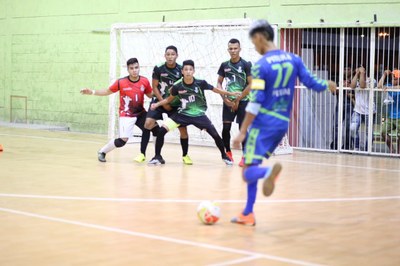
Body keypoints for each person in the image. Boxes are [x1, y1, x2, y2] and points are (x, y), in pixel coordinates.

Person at [231, 20, 337, 226]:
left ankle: (269, 173)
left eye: (254, 42)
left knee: (248, 171)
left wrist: (242, 131)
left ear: (260, 37)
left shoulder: (260, 66)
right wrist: (327, 84)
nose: (254, 47)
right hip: (281, 125)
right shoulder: (293, 59)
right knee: (251, 165)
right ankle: (248, 213)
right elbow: (311, 83)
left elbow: (256, 102)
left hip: (262, 124)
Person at [150, 59, 241, 165]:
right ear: (182, 72)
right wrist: (157, 104)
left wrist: (231, 93)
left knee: (215, 135)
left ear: (193, 71)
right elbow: (169, 99)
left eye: (190, 69)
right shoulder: (177, 86)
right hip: (182, 114)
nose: (188, 71)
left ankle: (224, 156)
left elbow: (216, 90)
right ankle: (157, 156)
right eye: (186, 69)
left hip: (198, 115)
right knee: (162, 130)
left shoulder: (200, 83)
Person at [80, 58, 154, 162]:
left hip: (140, 113)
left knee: (154, 129)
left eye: (136, 67)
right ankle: (102, 151)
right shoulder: (121, 82)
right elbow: (106, 91)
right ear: (128, 70)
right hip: (126, 114)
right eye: (131, 68)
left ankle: (145, 155)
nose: (134, 70)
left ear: (139, 68)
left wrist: (163, 93)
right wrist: (91, 92)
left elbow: (151, 95)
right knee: (122, 141)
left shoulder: (144, 81)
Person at [145, 46, 193, 165]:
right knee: (148, 123)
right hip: (159, 100)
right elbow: (154, 87)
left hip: (175, 103)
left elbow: (185, 86)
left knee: (183, 129)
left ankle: (185, 155)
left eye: (172, 54)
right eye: (168, 54)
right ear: (164, 56)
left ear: (177, 55)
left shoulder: (182, 69)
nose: (170, 56)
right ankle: (153, 155)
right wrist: (163, 102)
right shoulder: (158, 68)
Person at [217, 38, 252, 167]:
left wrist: (238, 99)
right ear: (228, 50)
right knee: (226, 128)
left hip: (243, 100)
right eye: (231, 49)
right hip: (228, 101)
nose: (233, 51)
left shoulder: (246, 64)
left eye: (235, 48)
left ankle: (245, 156)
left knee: (242, 128)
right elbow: (219, 83)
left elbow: (251, 84)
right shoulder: (224, 65)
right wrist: (225, 98)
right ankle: (228, 153)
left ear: (239, 49)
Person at [349, 66, 376, 151]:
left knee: (369, 132)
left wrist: (362, 74)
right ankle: (356, 146)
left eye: (361, 70)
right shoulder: (356, 79)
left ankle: (368, 149)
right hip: (357, 110)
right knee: (353, 128)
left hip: (370, 111)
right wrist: (357, 74)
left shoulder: (372, 80)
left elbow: (362, 85)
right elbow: (352, 86)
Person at [330, 66, 354, 150]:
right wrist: (342, 86)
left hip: (350, 105)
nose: (346, 70)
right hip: (339, 104)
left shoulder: (354, 80)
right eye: (345, 69)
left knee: (348, 127)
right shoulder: (338, 79)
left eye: (348, 69)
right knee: (336, 125)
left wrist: (350, 88)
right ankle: (335, 145)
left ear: (352, 70)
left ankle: (347, 146)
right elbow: (333, 92)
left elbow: (356, 93)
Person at [378, 69, 400, 153]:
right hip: (390, 116)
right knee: (383, 132)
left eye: (396, 79)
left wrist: (390, 87)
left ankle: (399, 152)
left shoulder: (391, 87)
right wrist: (384, 74)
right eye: (393, 79)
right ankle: (392, 149)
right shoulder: (389, 85)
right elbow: (379, 86)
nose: (395, 80)